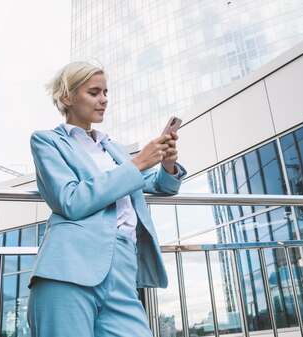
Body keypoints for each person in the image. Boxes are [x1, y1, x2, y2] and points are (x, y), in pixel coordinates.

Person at [27, 61, 186, 337]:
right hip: (68, 267)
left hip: (123, 267)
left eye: (106, 92)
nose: (104, 100)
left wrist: (168, 164)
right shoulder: (48, 142)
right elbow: (70, 199)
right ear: (67, 97)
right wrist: (136, 164)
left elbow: (159, 186)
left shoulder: (114, 150)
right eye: (94, 92)